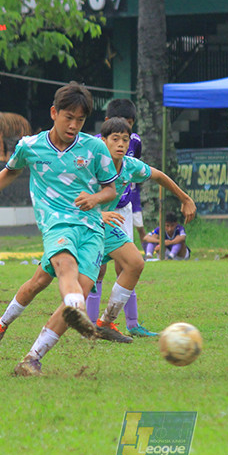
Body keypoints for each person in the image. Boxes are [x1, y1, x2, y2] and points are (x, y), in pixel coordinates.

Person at [0, 117, 196, 348]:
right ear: (103, 141)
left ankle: (105, 322)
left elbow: (158, 175)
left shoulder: (130, 166)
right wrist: (98, 213)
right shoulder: (88, 161)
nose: (121, 145)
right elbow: (68, 196)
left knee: (135, 263)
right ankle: (1, 324)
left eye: (125, 140)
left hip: (103, 229)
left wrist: (185, 198)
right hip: (75, 226)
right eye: (115, 139)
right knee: (39, 282)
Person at [0, 83, 119, 377]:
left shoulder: (95, 148)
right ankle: (64, 309)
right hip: (56, 223)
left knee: (46, 284)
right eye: (68, 118)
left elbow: (110, 189)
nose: (73, 125)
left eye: (80, 120)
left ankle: (32, 358)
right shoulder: (30, 146)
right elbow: (12, 169)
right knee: (65, 266)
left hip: (91, 229)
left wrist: (95, 199)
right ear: (53, 113)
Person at [87, 99, 155, 337]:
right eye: (117, 135)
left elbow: (134, 174)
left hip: (122, 209)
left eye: (129, 126)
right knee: (98, 269)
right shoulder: (93, 146)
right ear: (107, 125)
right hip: (98, 211)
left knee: (128, 264)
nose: (123, 141)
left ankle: (132, 324)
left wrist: (134, 207)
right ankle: (92, 325)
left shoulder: (134, 142)